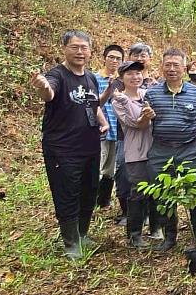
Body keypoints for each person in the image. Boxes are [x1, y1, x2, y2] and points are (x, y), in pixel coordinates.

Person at [30, 30, 109, 259]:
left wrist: (103, 122)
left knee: (89, 191)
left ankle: (82, 233)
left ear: (90, 51)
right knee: (67, 193)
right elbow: (49, 93)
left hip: (90, 146)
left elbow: (93, 105)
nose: (80, 52)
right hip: (63, 149)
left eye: (84, 47)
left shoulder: (91, 78)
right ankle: (71, 242)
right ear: (64, 49)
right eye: (74, 47)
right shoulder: (57, 75)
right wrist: (42, 86)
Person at [144, 48, 196, 251]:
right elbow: (144, 123)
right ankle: (169, 237)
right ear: (161, 67)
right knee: (163, 195)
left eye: (176, 65)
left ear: (184, 68)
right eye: (168, 65)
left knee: (195, 193)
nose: (172, 69)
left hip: (189, 149)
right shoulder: (152, 93)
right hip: (161, 149)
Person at [105, 43, 157, 229]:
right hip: (134, 149)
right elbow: (135, 123)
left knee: (155, 187)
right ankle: (134, 231)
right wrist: (144, 114)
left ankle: (154, 226)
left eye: (138, 73)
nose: (135, 77)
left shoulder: (148, 93)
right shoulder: (118, 100)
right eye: (130, 74)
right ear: (121, 78)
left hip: (154, 148)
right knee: (137, 188)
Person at [95, 44, 124, 209]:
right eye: (111, 57)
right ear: (104, 58)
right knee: (97, 165)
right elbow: (93, 103)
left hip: (117, 130)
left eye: (118, 58)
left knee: (110, 169)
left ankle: (103, 201)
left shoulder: (122, 81)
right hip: (99, 130)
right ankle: (88, 201)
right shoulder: (94, 78)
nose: (114, 61)